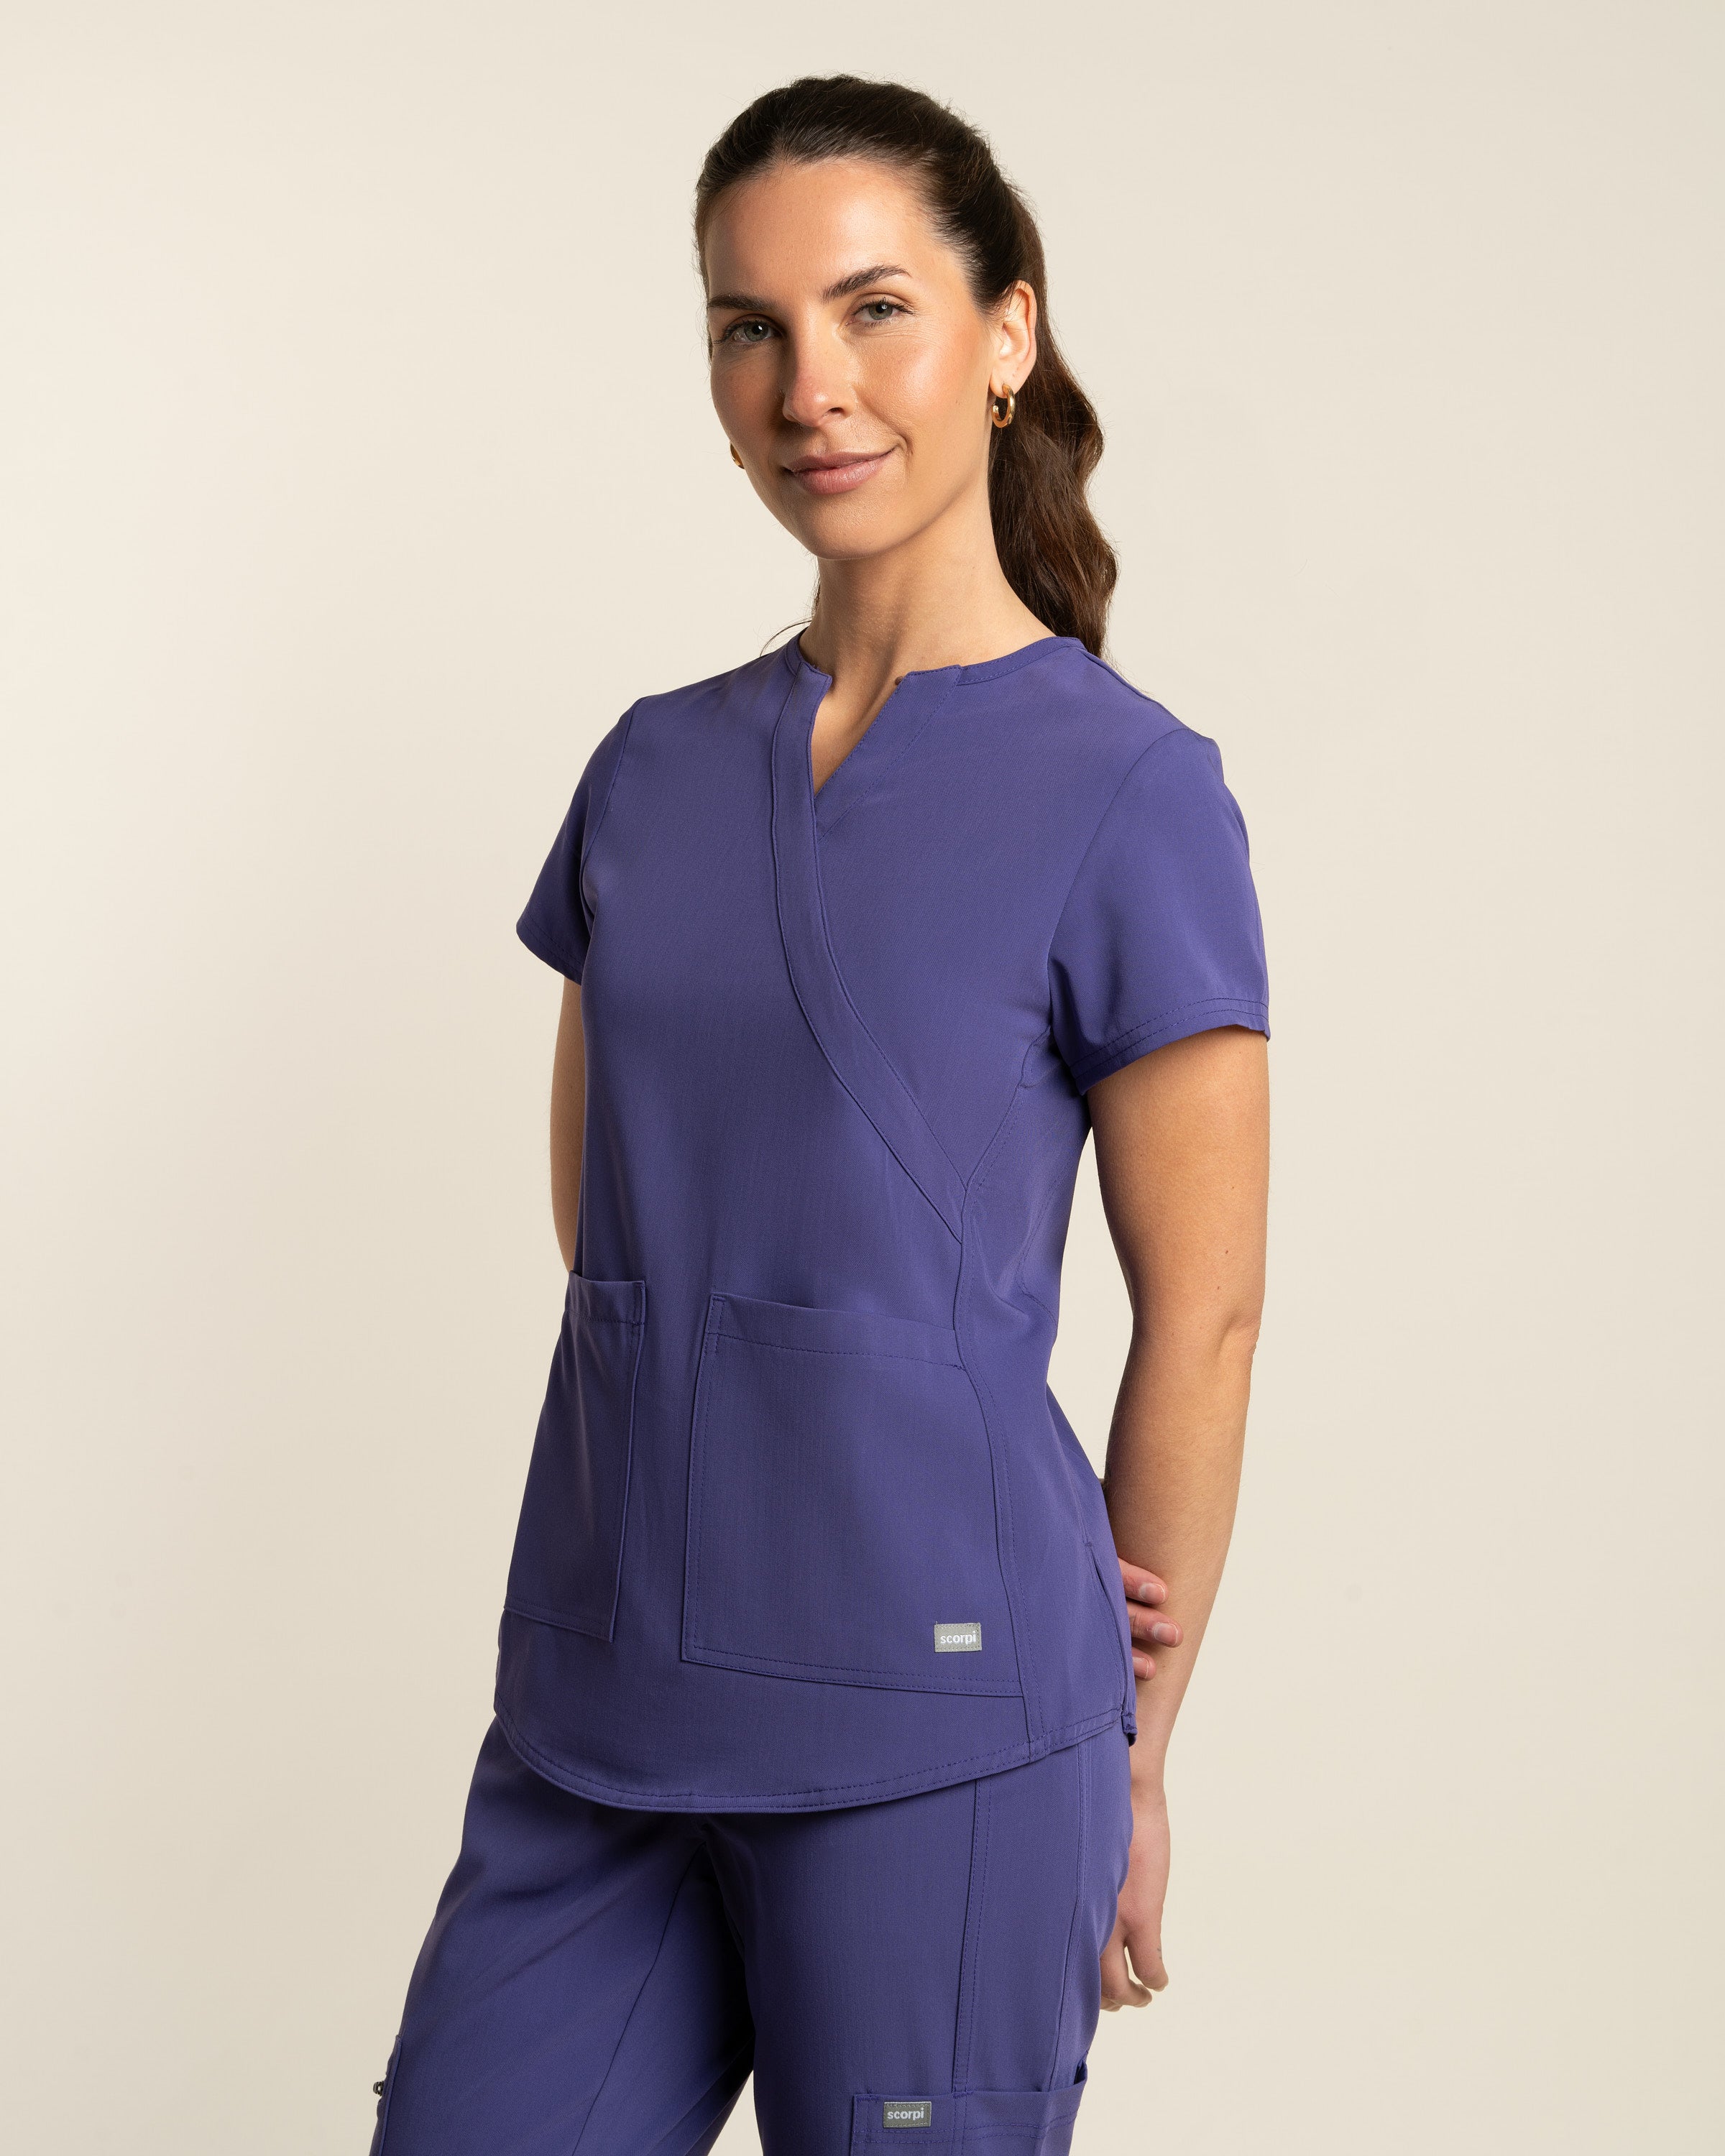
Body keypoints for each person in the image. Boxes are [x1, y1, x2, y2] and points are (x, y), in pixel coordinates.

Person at [366, 73, 1270, 2156]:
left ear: (1006, 334)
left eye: (875, 311)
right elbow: (615, 1225)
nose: (810, 388)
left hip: (944, 1728)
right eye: (748, 328)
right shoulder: (651, 772)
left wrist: (1130, 1746)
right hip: (603, 1696)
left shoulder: (1130, 792)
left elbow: (1206, 1318)